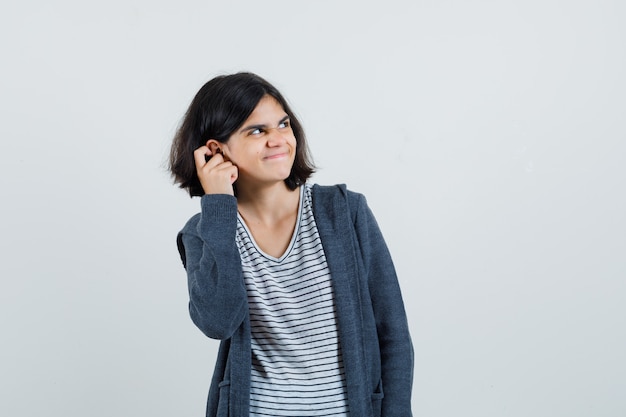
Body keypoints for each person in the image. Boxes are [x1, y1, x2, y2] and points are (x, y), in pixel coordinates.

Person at [169, 72, 413, 417]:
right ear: (216, 149)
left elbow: (393, 334)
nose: (278, 140)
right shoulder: (206, 231)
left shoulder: (344, 212)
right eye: (257, 131)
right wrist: (219, 204)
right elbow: (218, 321)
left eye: (283, 125)